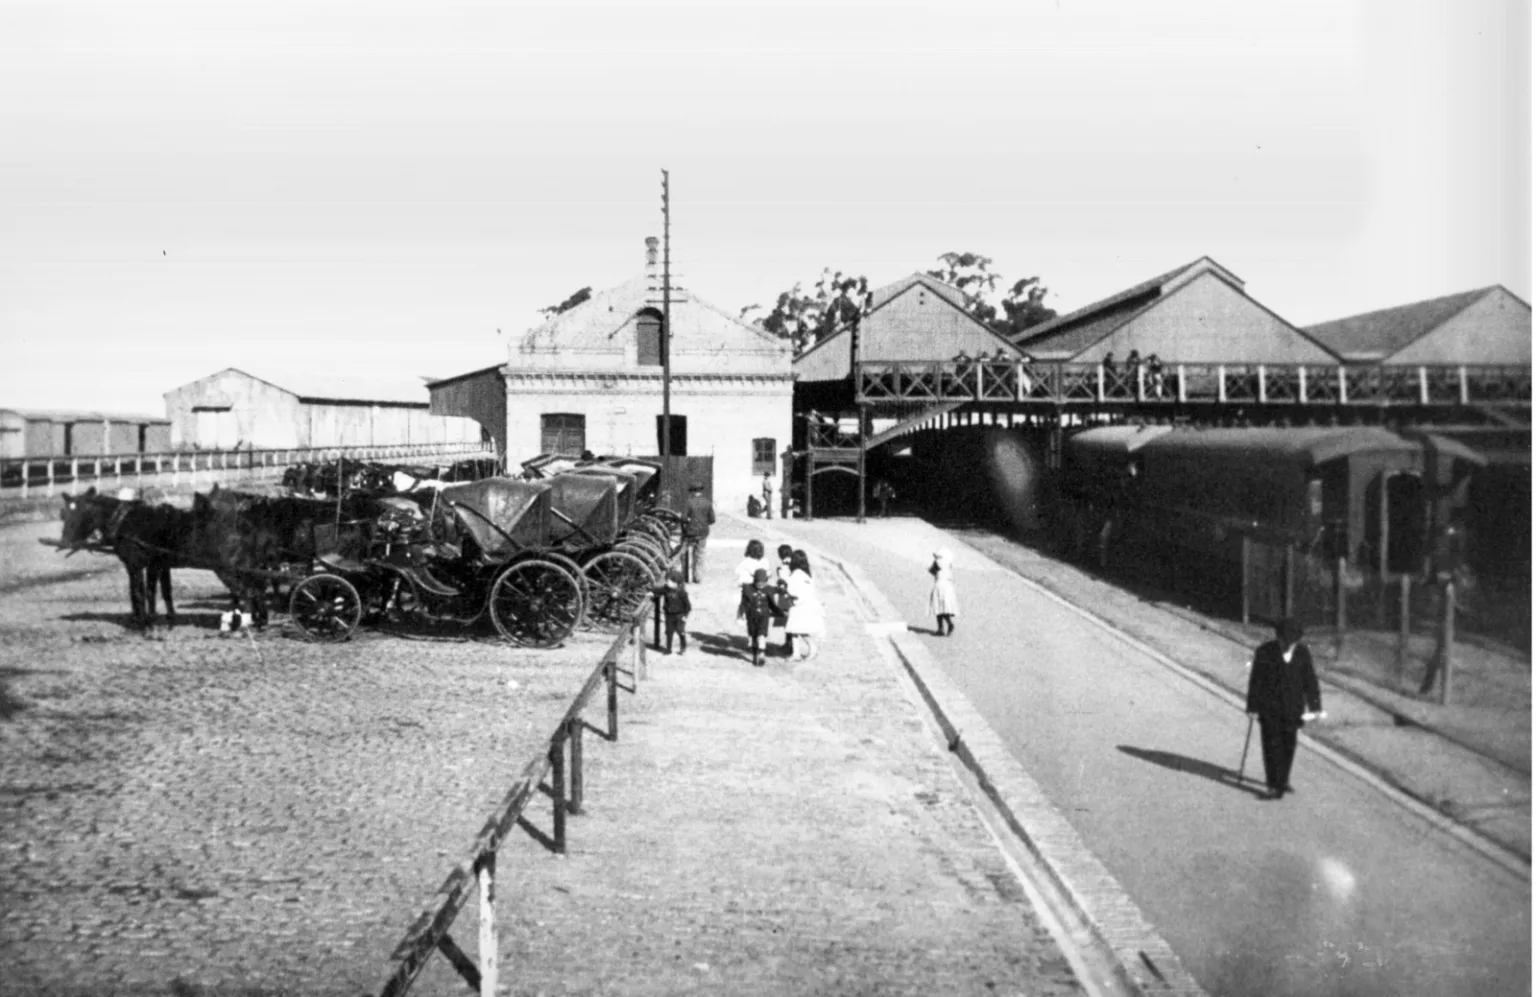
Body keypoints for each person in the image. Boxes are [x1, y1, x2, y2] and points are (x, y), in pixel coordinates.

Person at [1245, 618, 1323, 800]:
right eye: (1284, 642)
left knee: (1289, 745)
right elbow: (1256, 681)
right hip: (1269, 709)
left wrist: (1315, 707)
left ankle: (1283, 779)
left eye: (1291, 642)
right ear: (1278, 637)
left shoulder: (1302, 653)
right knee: (1272, 746)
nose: (1288, 645)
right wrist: (1252, 706)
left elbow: (1310, 681)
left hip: (1293, 709)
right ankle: (1274, 785)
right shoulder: (1264, 652)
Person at [783, 549, 825, 661]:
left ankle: (812, 648)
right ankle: (796, 653)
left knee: (798, 630)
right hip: (809, 603)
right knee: (795, 630)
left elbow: (791, 590)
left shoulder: (796, 575)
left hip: (799, 605)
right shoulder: (807, 575)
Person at [738, 568, 777, 667]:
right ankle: (755, 656)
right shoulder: (747, 589)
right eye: (758, 582)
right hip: (751, 616)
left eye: (763, 583)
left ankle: (762, 654)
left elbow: (778, 591)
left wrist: (784, 591)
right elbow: (743, 603)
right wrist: (741, 613)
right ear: (754, 580)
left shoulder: (769, 589)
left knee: (762, 634)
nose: (760, 585)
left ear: (766, 581)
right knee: (754, 636)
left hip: (764, 616)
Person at [651, 568, 692, 655]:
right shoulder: (666, 589)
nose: (667, 582)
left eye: (669, 581)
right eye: (667, 580)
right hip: (669, 615)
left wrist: (685, 616)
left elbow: (688, 606)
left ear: (676, 583)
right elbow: (658, 590)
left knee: (681, 632)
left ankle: (683, 647)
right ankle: (668, 649)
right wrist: (652, 592)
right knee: (669, 632)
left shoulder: (682, 593)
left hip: (679, 615)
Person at [682, 482, 715, 584]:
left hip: (690, 532)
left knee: (685, 554)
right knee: (700, 555)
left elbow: (684, 518)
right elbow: (712, 520)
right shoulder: (707, 503)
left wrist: (689, 521)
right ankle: (698, 578)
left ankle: (685, 577)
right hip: (703, 533)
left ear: (692, 492)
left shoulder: (689, 502)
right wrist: (704, 522)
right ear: (701, 491)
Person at [928, 548, 959, 636]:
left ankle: (941, 628)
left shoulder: (937, 563)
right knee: (945, 607)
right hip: (948, 586)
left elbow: (931, 571)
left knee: (938, 607)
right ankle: (948, 624)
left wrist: (935, 561)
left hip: (939, 585)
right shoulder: (949, 564)